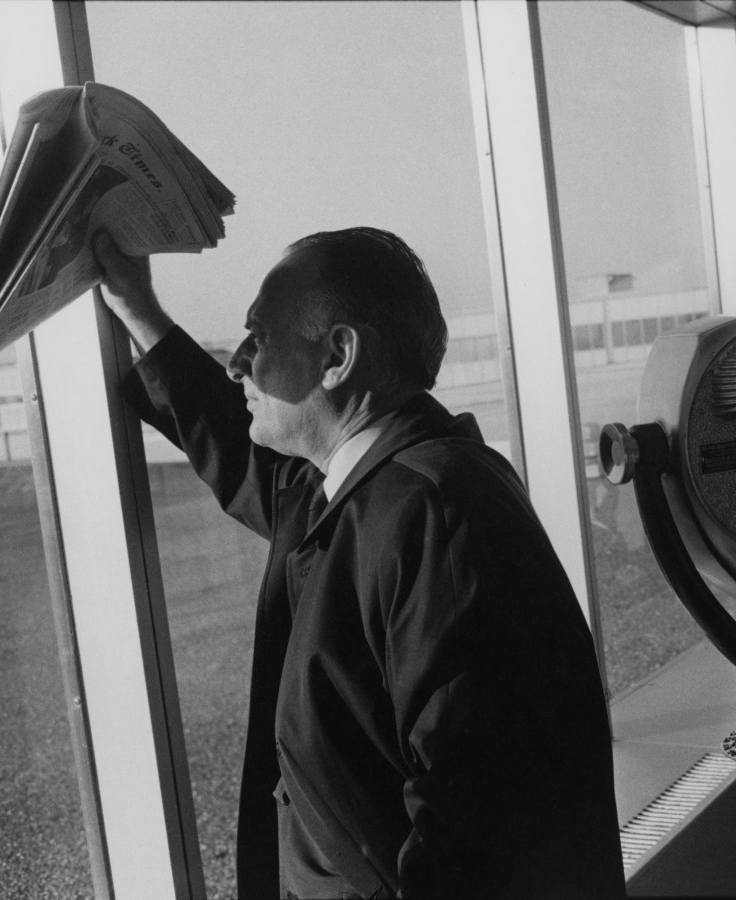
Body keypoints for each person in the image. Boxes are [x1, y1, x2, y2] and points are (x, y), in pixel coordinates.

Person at [92, 228, 625, 899]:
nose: (239, 363)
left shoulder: (432, 513)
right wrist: (140, 310)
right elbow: (238, 443)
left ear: (338, 356)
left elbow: (480, 827)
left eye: (259, 334)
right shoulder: (360, 486)